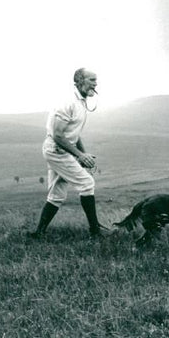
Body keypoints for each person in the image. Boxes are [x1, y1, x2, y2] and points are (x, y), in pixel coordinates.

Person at [29, 68, 109, 239]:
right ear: (79, 81)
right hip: (56, 150)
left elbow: (74, 133)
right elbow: (58, 135)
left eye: (96, 81)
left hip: (63, 150)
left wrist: (82, 154)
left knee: (57, 194)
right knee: (87, 184)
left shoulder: (80, 103)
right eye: (91, 80)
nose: (95, 84)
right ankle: (95, 231)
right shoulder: (68, 102)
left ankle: (38, 233)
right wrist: (80, 156)